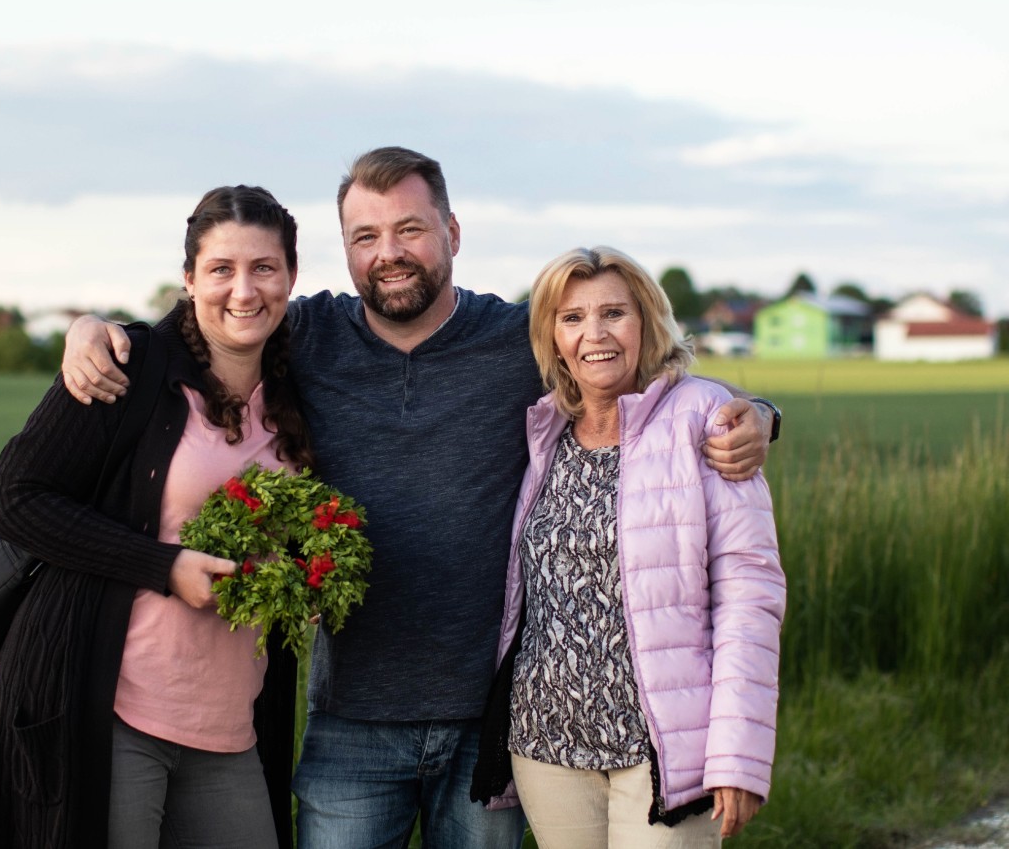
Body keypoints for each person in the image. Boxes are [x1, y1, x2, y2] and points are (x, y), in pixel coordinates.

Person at [60, 147, 777, 848]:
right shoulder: (307, 334)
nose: (388, 252)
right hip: (351, 720)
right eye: (365, 236)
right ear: (343, 250)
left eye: (409, 229)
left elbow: (634, 368)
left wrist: (763, 414)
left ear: (452, 233)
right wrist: (97, 331)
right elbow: (209, 324)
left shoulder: (517, 338)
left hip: (490, 726)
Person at [0, 185, 310, 849]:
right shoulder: (129, 367)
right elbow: (17, 497)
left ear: (291, 276)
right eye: (221, 270)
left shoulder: (299, 386)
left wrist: (302, 580)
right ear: (188, 280)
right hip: (112, 712)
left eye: (264, 268)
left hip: (229, 725)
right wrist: (164, 566)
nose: (243, 290)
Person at [471, 246, 785, 848]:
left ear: (647, 322)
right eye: (572, 318)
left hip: (663, 749)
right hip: (547, 744)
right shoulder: (545, 430)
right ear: (553, 337)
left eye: (614, 313)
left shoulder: (706, 417)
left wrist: (738, 754)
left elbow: (751, 594)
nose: (594, 334)